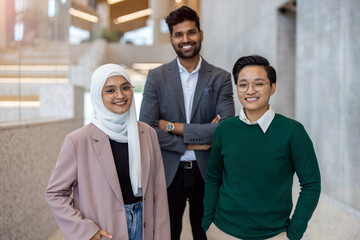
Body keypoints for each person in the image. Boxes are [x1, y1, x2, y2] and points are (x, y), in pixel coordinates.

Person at [139, 6, 235, 240]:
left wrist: (172, 126)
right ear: (171, 38)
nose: (186, 40)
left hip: (208, 173)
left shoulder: (220, 77)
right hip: (168, 174)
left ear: (200, 34)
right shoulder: (156, 77)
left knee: (206, 235)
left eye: (191, 33)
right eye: (179, 34)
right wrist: (189, 145)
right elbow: (146, 128)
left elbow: (226, 129)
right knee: (167, 234)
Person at [202, 55, 321, 240]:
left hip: (273, 234)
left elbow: (311, 185)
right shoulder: (224, 129)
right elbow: (213, 178)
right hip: (222, 231)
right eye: (243, 84)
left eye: (259, 84)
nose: (250, 91)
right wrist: (208, 223)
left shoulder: (293, 131)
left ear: (272, 87)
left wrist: (293, 234)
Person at [45, 64, 170, 240]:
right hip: (105, 230)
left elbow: (158, 191)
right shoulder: (79, 140)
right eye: (110, 90)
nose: (120, 95)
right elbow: (55, 194)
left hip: (145, 225)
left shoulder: (147, 133)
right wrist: (85, 231)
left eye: (125, 88)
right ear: (98, 95)